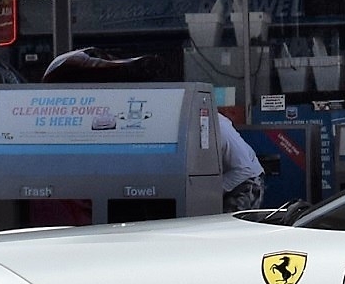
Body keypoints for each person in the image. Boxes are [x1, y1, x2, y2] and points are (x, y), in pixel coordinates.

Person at [41, 47, 268, 211]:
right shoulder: (175, 127)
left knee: (225, 226)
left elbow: (244, 170)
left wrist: (207, 192)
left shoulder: (215, 125)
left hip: (245, 183)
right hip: (227, 180)